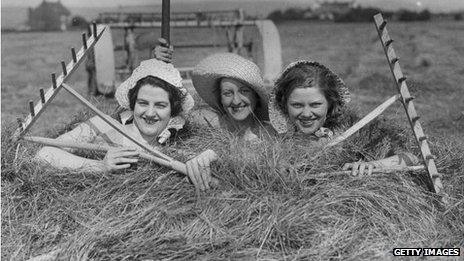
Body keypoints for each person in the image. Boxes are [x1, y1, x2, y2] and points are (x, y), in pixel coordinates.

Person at [36, 59, 217, 191]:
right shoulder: (103, 125)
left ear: (173, 110)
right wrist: (100, 167)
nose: (150, 113)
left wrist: (209, 156)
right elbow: (44, 154)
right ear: (132, 104)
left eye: (160, 105)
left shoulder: (174, 147)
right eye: (143, 103)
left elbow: (217, 156)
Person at [273, 60, 419, 175]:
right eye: (297, 105)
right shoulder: (279, 140)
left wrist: (374, 165)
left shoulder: (358, 130)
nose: (306, 114)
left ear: (330, 103)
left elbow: (410, 158)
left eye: (315, 104)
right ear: (284, 105)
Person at [154, 40, 276, 141]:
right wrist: (159, 65)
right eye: (227, 93)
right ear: (220, 98)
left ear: (256, 96)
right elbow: (169, 109)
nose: (236, 101)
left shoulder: (271, 134)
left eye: (244, 91)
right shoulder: (209, 122)